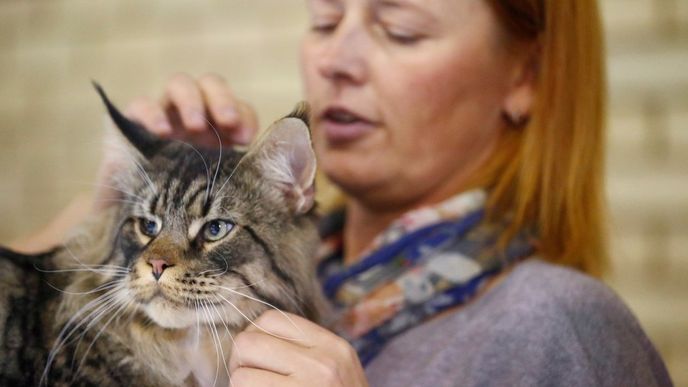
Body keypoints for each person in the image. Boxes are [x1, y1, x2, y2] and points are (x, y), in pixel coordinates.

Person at [16, 0, 673, 386]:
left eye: (400, 28)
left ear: (526, 74)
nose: (337, 60)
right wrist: (95, 225)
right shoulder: (277, 281)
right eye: (325, 18)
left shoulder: (557, 325)